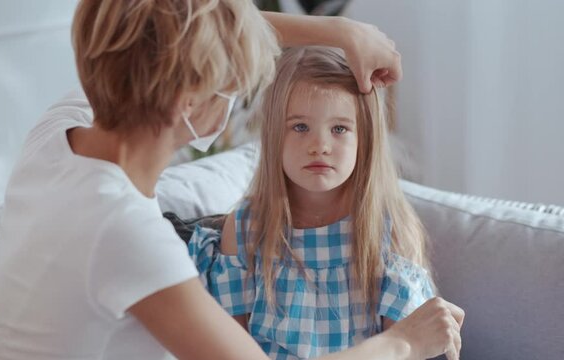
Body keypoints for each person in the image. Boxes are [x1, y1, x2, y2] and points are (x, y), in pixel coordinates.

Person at [0, 1, 463, 359]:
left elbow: (164, 23)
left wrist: (337, 32)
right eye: (233, 83)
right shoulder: (126, 234)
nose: (239, 90)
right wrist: (402, 341)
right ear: (188, 105)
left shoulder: (57, 130)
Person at [189, 46, 462, 359]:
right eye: (300, 127)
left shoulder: (389, 230)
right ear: (274, 134)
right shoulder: (244, 230)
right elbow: (227, 346)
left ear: (366, 139)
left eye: (339, 129)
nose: (320, 146)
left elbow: (406, 346)